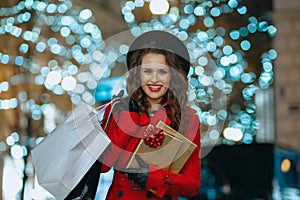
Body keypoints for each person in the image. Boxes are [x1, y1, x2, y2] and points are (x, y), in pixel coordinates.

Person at [99, 30, 201, 200]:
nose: (154, 79)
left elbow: (193, 186)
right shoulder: (119, 108)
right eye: (147, 71)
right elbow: (102, 166)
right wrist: (128, 117)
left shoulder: (189, 119)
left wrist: (155, 178)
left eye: (162, 72)